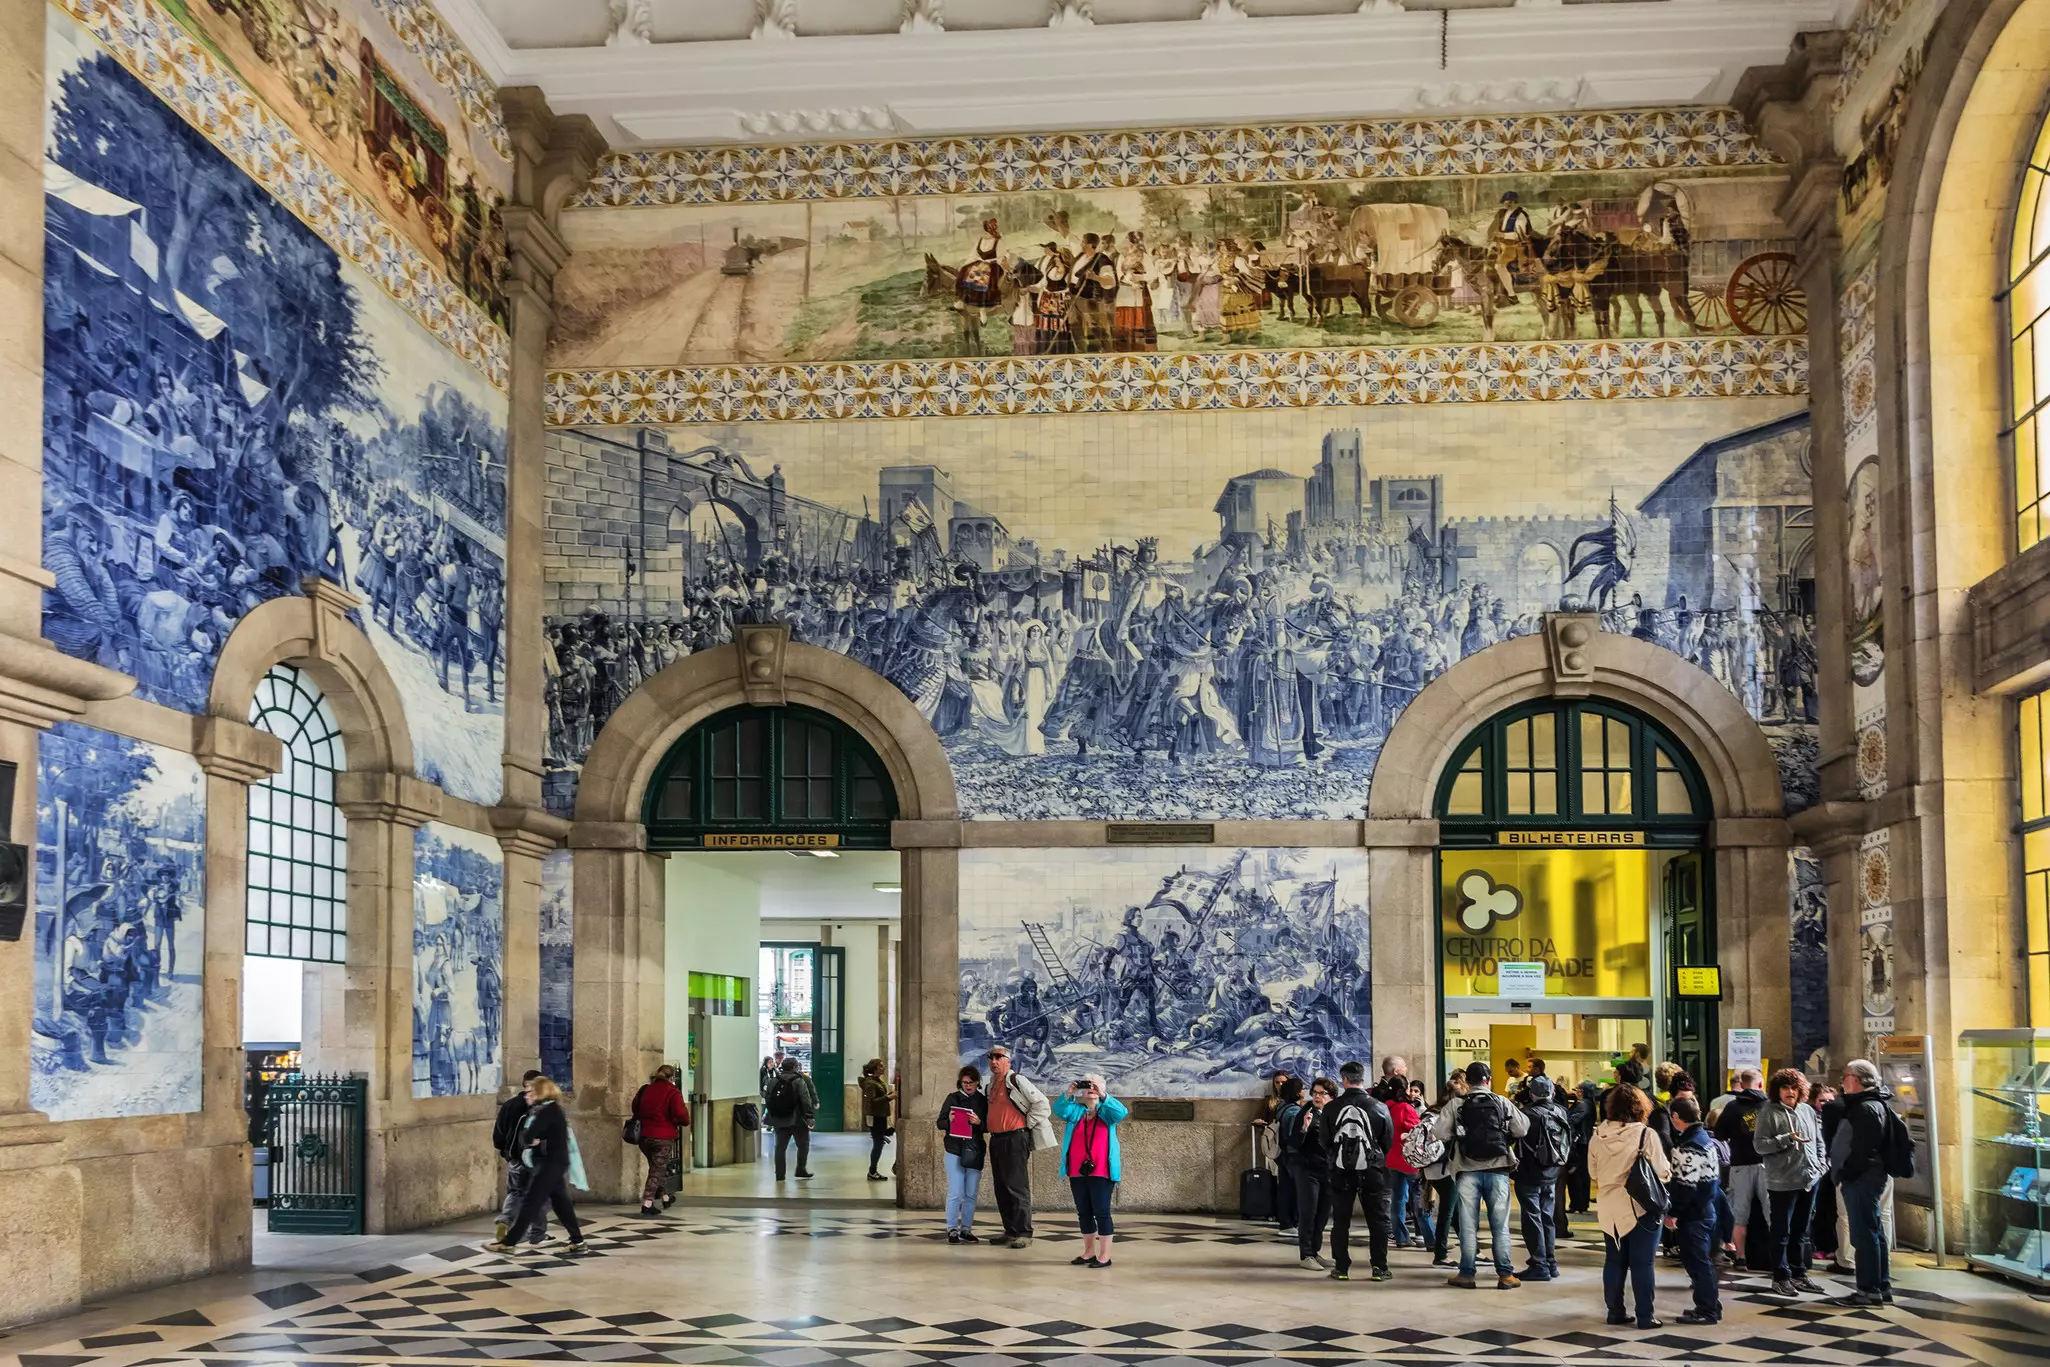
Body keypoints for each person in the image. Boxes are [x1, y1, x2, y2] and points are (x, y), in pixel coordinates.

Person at [1430, 1061, 1529, 1289]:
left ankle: (1466, 1273)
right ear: (1489, 1079)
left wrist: (1460, 1131)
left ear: (1468, 1081)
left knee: (1467, 1224)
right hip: (1498, 1170)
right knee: (1499, 1225)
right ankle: (1505, 1274)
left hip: (1467, 1171)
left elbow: (1438, 1132)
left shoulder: (1457, 1104)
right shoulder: (1501, 1102)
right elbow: (1522, 1129)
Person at [1589, 1083, 1669, 1329]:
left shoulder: (1597, 1135)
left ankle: (1615, 1312)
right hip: (1639, 1207)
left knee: (1614, 1261)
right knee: (1642, 1264)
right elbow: (1663, 1172)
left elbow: (1593, 1172)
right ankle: (1645, 1316)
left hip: (1608, 1207)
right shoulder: (1646, 1135)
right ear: (1640, 1107)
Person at [488, 1077, 592, 1256]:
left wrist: (533, 1139)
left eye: (530, 1092)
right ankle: (578, 1240)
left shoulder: (546, 1112)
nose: (526, 1096)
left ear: (539, 1093)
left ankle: (509, 1243)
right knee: (561, 1204)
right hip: (552, 1162)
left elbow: (528, 1136)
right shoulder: (551, 1110)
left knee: (531, 1202)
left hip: (548, 1164)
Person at [1753, 1067, 1828, 1298]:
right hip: (1782, 1181)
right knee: (1781, 1231)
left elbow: (1818, 1140)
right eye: (1785, 1088)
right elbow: (1759, 1145)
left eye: (1794, 1088)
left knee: (1801, 1230)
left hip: (1809, 1179)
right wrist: (1785, 1139)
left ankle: (1799, 1273)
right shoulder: (1768, 1112)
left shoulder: (1806, 1110)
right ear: (1777, 1090)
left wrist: (1821, 1165)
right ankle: (1780, 1276)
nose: (1790, 1092)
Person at [1830, 1058, 1900, 1306]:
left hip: (1863, 1179)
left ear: (1856, 1080)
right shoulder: (1874, 1104)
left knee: (1864, 1235)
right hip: (1867, 1177)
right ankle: (1881, 1285)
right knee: (1874, 1232)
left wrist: (1847, 1173)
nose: (1843, 1080)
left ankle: (1869, 1290)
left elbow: (1863, 1149)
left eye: (1846, 1075)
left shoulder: (1867, 1108)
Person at [1320, 1061, 1395, 1282]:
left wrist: (1338, 1157)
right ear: (1362, 1079)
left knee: (1341, 1220)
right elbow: (1387, 1141)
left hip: (1341, 1171)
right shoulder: (1379, 1106)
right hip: (1372, 1169)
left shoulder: (1331, 1108)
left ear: (1343, 1080)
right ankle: (1379, 1268)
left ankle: (1341, 1268)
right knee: (1377, 1219)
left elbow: (1324, 1140)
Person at [985, 1044, 1056, 1247]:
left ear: (1008, 1061)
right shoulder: (991, 1085)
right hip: (997, 1139)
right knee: (1001, 1187)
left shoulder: (1016, 1080)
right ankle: (1010, 1230)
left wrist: (1026, 1124)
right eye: (991, 1058)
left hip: (1014, 1138)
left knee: (1016, 1186)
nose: (993, 1062)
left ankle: (1024, 1233)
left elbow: (1042, 1103)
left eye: (998, 1057)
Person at [1055, 1075, 1127, 1269]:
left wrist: (1102, 1095)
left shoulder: (1106, 1113)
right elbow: (1060, 1110)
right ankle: (1088, 1252)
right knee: (1084, 1212)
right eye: (1087, 1086)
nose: (1091, 1089)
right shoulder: (1076, 1112)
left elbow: (1121, 1112)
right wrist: (1068, 1094)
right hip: (1077, 1171)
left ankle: (1104, 1256)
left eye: (1095, 1086)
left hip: (1102, 1171)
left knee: (1101, 1211)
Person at [1664, 1094, 1724, 1324]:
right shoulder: (1705, 1138)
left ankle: (1707, 1310)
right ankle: (1710, 1305)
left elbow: (1684, 1187)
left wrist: (1673, 1213)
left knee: (1697, 1263)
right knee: (1702, 1262)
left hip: (1693, 1215)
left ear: (1677, 1117)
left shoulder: (1688, 1146)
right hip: (1707, 1210)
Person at [1512, 1075, 1570, 1281]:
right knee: (1547, 1217)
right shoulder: (1561, 1111)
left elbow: (1512, 1136)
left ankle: (1539, 1264)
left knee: (1532, 1218)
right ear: (1553, 1092)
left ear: (1531, 1094)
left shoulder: (1526, 1114)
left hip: (1529, 1173)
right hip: (1553, 1172)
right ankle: (1551, 1262)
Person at [1712, 1067, 1769, 1264]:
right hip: (1766, 1164)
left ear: (1741, 1085)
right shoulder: (1770, 1105)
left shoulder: (1732, 1107)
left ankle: (1741, 1256)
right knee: (1772, 1213)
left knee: (1739, 1213)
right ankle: (1777, 1257)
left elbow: (1719, 1134)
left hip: (1740, 1164)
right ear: (1761, 1084)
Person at [492, 1070, 547, 1246]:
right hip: (535, 1159)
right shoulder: (542, 1107)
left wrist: (506, 1153)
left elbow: (498, 1134)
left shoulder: (509, 1105)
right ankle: (536, 1232)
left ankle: (505, 1219)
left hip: (515, 1158)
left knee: (516, 1192)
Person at [1379, 1075, 1432, 1252]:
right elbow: (1419, 1130)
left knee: (1398, 1199)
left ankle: (1401, 1237)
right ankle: (1430, 1238)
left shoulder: (1386, 1107)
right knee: (1420, 1198)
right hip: (1409, 1160)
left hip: (1391, 1158)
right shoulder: (1405, 1108)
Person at [1286, 1077, 1334, 1268]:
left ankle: (1315, 1251)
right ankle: (1306, 1255)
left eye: (1321, 1093)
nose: (1317, 1096)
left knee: (1323, 1213)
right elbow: (1294, 1142)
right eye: (1314, 1092)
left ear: (1330, 1096)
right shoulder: (1307, 1112)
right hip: (1307, 1169)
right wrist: (1304, 1128)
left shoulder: (1333, 1113)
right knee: (1309, 1211)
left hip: (1327, 1170)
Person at [937, 1065, 989, 1244]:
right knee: (955, 1191)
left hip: (974, 1150)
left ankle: (966, 1229)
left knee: (971, 1192)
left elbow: (988, 1127)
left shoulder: (982, 1101)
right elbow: (940, 1123)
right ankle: (952, 1229)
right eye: (965, 1083)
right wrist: (950, 1120)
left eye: (971, 1083)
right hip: (954, 1149)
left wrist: (978, 1122)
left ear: (977, 1083)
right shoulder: (953, 1098)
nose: (968, 1086)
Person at [631, 1064, 691, 1217]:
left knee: (657, 1167)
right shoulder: (672, 1092)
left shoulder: (645, 1089)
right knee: (657, 1169)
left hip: (644, 1136)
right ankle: (648, 1203)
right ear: (672, 1078)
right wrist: (682, 1121)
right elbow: (681, 1115)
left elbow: (634, 1107)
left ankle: (665, 1197)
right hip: (662, 1137)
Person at [1423, 1073, 1465, 1267]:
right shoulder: (1450, 1115)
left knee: (1454, 1211)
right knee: (1448, 1211)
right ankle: (1440, 1254)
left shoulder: (1430, 1111)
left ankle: (1471, 1249)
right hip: (1445, 1168)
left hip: (1431, 1168)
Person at [764, 1055, 819, 1181]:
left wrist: (773, 1113)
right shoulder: (799, 1081)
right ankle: (800, 1169)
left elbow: (767, 1098)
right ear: (795, 1067)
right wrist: (809, 1116)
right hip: (797, 1119)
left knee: (780, 1147)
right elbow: (805, 1100)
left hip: (779, 1118)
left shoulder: (772, 1080)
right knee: (803, 1144)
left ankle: (779, 1174)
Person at [1564, 1079, 1598, 1214]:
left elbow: (1572, 1120)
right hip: (1583, 1142)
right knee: (1581, 1174)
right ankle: (1580, 1203)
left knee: (1576, 1175)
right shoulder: (1588, 1104)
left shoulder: (1583, 1105)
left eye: (1578, 1089)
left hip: (1579, 1143)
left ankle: (1578, 1203)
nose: (1575, 1092)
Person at [859, 1058, 895, 1182]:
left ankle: (873, 1170)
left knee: (879, 1142)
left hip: (881, 1115)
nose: (883, 1068)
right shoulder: (870, 1083)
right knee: (878, 1143)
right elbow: (871, 1102)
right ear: (875, 1069)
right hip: (876, 1116)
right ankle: (872, 1171)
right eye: (881, 1066)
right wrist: (888, 1097)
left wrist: (887, 1096)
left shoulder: (877, 1081)